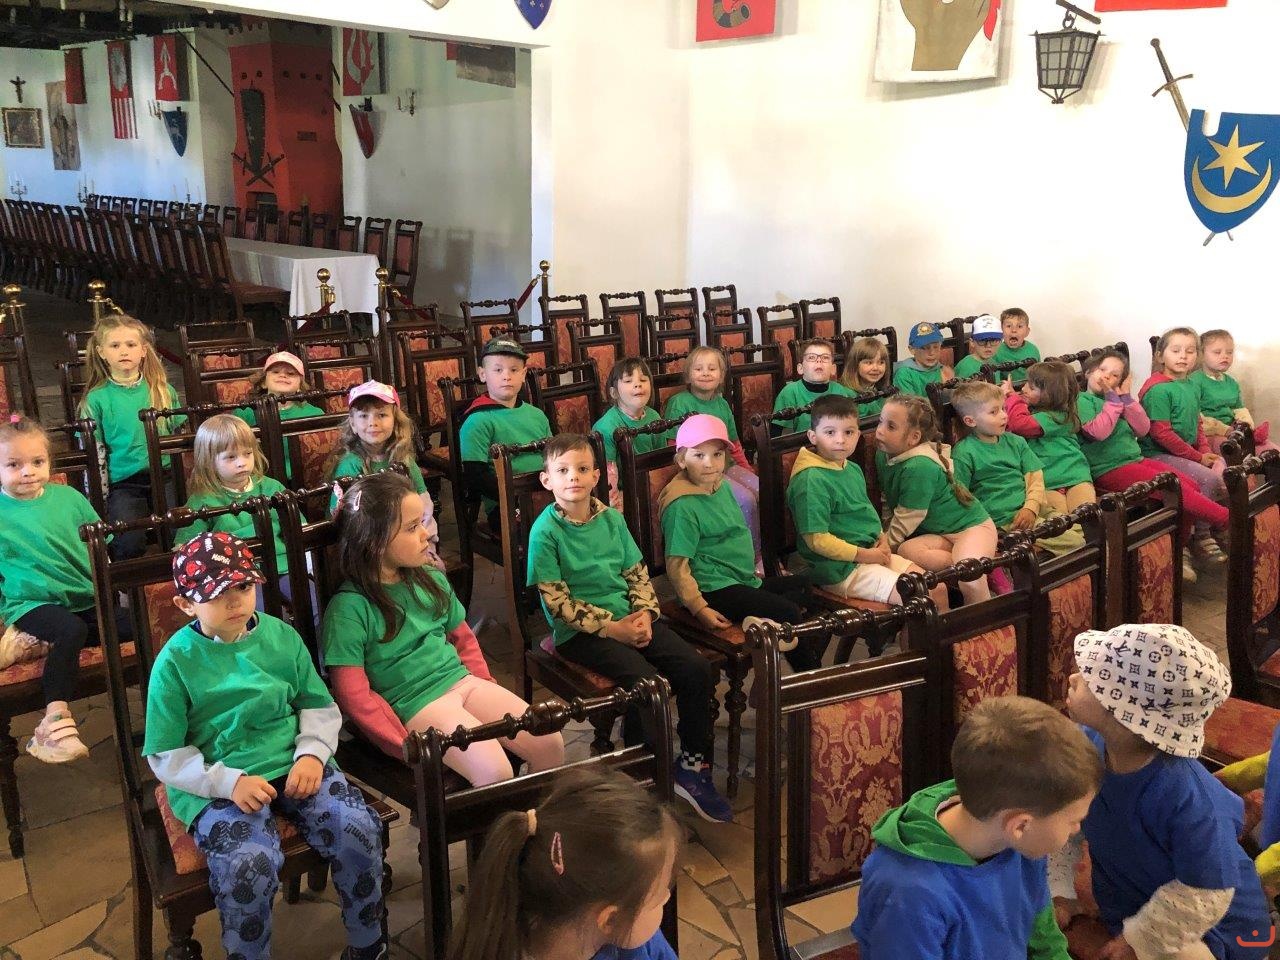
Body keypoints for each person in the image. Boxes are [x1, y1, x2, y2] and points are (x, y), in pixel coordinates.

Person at [143, 532, 387, 960]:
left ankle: (369, 945)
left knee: (358, 828)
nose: (235, 600)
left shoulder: (281, 637)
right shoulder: (175, 662)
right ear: (185, 604)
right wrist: (228, 783)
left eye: (243, 586)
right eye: (217, 593)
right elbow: (166, 754)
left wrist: (312, 753)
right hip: (217, 783)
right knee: (247, 865)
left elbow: (317, 704)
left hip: (293, 761)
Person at [526, 434, 731, 823]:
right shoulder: (545, 532)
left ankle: (692, 765)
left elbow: (636, 574)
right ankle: (644, 773)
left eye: (582, 469)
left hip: (631, 618)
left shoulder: (612, 519)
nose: (574, 477)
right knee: (648, 684)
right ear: (546, 480)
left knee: (695, 668)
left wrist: (645, 614)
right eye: (563, 470)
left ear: (597, 475)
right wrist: (613, 629)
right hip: (580, 634)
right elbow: (557, 604)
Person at [322, 471, 563, 783]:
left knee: (549, 741)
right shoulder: (349, 609)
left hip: (461, 681)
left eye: (422, 522)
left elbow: (464, 639)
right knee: (495, 771)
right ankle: (511, 816)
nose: (426, 534)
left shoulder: (430, 578)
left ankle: (536, 811)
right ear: (374, 541)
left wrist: (484, 684)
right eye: (412, 527)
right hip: (416, 703)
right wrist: (399, 743)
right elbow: (353, 694)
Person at [1065, 623, 1271, 960]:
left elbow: (1206, 893)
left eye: (1090, 678)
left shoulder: (1185, 795)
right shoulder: (1091, 742)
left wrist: (1138, 941)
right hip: (1138, 894)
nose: (1074, 678)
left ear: (1126, 715)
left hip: (1217, 925)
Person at [851, 696, 1101, 959]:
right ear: (1020, 825)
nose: (1077, 829)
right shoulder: (908, 894)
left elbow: (1045, 941)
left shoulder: (1024, 845)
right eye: (1073, 820)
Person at [0, 414, 130, 763]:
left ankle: (36, 642)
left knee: (137, 625)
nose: (28, 472)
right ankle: (54, 721)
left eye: (37, 462)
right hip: (31, 602)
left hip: (83, 595)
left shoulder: (69, 498)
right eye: (13, 465)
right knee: (70, 630)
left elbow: (101, 543)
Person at [447, 767, 682, 960]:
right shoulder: (629, 932)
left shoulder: (633, 936)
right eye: (660, 896)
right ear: (610, 919)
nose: (667, 897)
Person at [659, 414, 823, 669]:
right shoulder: (682, 505)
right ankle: (809, 681)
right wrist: (699, 607)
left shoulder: (721, 485)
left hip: (740, 579)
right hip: (712, 589)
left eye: (717, 454)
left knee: (804, 587)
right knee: (788, 612)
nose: (709, 463)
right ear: (681, 460)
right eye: (698, 455)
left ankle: (763, 633)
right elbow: (677, 566)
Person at [1078, 350, 1229, 585]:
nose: (1107, 377)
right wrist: (1113, 403)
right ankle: (1228, 519)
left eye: (1115, 375)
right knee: (1176, 490)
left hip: (1134, 460)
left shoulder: (1117, 401)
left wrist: (1126, 399)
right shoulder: (1082, 400)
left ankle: (1177, 548)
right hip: (1108, 468)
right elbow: (1098, 432)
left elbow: (1142, 428)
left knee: (1190, 485)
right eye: (1102, 370)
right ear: (1088, 372)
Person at [787, 395, 945, 608]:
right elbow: (817, 540)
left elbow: (866, 513)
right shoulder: (810, 479)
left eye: (848, 432)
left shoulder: (851, 468)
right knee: (920, 599)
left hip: (869, 552)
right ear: (813, 436)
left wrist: (882, 539)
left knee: (937, 588)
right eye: (830, 432)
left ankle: (940, 632)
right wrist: (866, 555)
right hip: (838, 569)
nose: (840, 440)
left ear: (858, 435)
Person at [875, 394, 997, 605]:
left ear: (914, 437)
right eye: (880, 422)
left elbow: (908, 516)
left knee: (969, 576)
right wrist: (884, 536)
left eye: (891, 426)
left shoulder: (919, 466)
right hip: (940, 534)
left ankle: (984, 620)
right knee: (907, 551)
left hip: (972, 528)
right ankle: (984, 566)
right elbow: (888, 498)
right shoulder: (884, 454)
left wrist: (884, 547)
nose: (879, 430)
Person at [79, 312, 183, 560]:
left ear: (144, 350)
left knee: (180, 535)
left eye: (131, 344)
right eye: (115, 346)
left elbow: (179, 438)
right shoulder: (96, 398)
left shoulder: (162, 390)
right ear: (102, 352)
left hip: (165, 476)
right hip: (125, 483)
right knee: (129, 544)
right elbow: (94, 451)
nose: (123, 351)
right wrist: (99, 498)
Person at [951, 381, 1084, 556]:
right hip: (1006, 518)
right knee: (1077, 541)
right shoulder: (964, 452)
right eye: (994, 412)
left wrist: (1030, 507)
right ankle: (1018, 547)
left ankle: (1025, 547)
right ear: (970, 421)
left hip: (1031, 509)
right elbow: (961, 494)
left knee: (1083, 528)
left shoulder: (1016, 441)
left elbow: (1035, 477)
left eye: (1003, 408)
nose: (1004, 416)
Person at [174, 414, 293, 604]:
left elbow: (297, 527)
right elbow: (186, 549)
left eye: (248, 453)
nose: (241, 462)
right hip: (236, 578)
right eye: (231, 457)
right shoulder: (201, 501)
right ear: (209, 461)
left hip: (283, 565)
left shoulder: (272, 487)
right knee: (252, 612)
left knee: (314, 606)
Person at [327, 379, 440, 569]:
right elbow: (349, 522)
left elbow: (424, 506)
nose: (373, 423)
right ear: (353, 424)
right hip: (369, 549)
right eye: (364, 416)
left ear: (395, 421)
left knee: (435, 572)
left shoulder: (404, 460)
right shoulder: (349, 465)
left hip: (409, 541)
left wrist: (428, 543)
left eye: (381, 415)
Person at [1139, 328, 1228, 564]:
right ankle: (1197, 537)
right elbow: (1161, 433)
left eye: (1190, 351)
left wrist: (1205, 451)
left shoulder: (1191, 384)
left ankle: (1206, 526)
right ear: (1160, 356)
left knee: (1222, 465)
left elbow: (1197, 423)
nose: (1183, 356)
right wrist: (1197, 458)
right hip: (1157, 454)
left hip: (1185, 453)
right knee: (1207, 478)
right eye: (1176, 350)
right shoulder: (1158, 389)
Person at [661, 344, 759, 548]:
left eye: (712, 369)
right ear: (688, 375)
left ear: (721, 376)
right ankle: (752, 555)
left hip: (725, 464)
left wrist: (746, 468)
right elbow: (673, 446)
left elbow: (734, 444)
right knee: (746, 500)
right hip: (700, 470)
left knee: (761, 488)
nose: (705, 373)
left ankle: (765, 547)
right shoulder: (679, 403)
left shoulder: (722, 404)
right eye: (698, 369)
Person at [458, 337, 552, 532]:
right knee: (550, 530)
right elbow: (475, 475)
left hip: (546, 494)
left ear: (523, 374)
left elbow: (553, 457)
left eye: (514, 370)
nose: (506, 376)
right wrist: (516, 496)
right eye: (498, 370)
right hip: (507, 504)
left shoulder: (537, 415)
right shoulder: (478, 420)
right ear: (483, 374)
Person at [1003, 360, 1097, 514]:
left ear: (1050, 395)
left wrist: (1012, 397)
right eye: (1026, 383)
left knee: (1085, 514)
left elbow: (1019, 424)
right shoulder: (1035, 411)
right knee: (1059, 519)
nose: (1024, 389)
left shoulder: (1058, 416)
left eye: (1031, 387)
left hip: (1075, 477)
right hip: (1048, 482)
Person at [592, 357, 663, 509]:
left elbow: (661, 461)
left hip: (651, 486)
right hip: (621, 492)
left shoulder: (655, 417)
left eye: (643, 380)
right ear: (614, 393)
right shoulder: (606, 426)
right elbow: (608, 476)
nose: (638, 384)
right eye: (628, 381)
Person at [1192, 329, 1276, 454]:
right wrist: (1224, 430)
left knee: (1272, 450)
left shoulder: (1231, 382)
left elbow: (1239, 409)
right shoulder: (1194, 381)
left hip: (1233, 430)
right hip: (1209, 433)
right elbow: (1195, 416)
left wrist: (1245, 426)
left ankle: (1253, 436)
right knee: (1235, 451)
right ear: (1201, 355)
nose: (1225, 356)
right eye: (1217, 352)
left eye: (1229, 352)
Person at [770, 338, 856, 434]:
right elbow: (779, 435)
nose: (819, 361)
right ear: (800, 368)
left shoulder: (839, 391)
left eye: (825, 358)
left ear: (833, 369)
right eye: (811, 357)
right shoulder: (789, 393)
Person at [232, 350, 324, 429]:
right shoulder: (244, 414)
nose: (282, 375)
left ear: (300, 385)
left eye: (290, 373)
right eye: (275, 372)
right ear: (264, 383)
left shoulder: (315, 414)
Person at [892, 322, 954, 398]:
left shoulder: (943, 370)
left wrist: (951, 386)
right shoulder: (904, 374)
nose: (932, 353)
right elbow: (909, 403)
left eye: (936, 347)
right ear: (912, 349)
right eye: (925, 348)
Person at [840, 335, 894, 419]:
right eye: (869, 363)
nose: (876, 368)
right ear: (855, 365)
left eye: (881, 362)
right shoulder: (845, 394)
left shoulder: (884, 391)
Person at [993, 307, 1041, 384]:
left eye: (1019, 326)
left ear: (1027, 331)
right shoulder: (996, 351)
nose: (1014, 330)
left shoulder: (1033, 350)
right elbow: (995, 382)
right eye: (1009, 326)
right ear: (1001, 330)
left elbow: (1038, 377)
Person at [953, 313, 1003, 379]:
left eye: (993, 340)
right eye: (982, 341)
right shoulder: (966, 366)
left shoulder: (994, 363)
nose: (988, 345)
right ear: (972, 342)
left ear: (1000, 342)